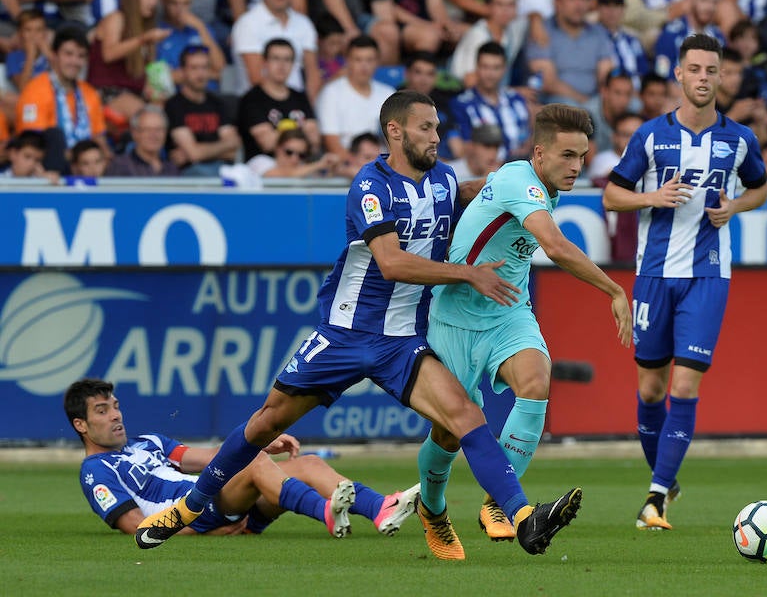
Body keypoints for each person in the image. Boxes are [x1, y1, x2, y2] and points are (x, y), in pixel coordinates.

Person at [134, 90, 583, 560]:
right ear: (395, 131)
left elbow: (478, 191)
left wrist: (516, 181)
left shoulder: (445, 180)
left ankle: (522, 518)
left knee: (467, 418)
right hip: (343, 335)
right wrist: (469, 273)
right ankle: (190, 505)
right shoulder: (370, 186)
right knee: (266, 422)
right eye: (426, 128)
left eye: (437, 128)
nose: (436, 136)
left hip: (400, 342)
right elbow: (390, 263)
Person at [421, 103, 630, 549]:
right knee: (448, 432)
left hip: (509, 310)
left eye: (583, 156)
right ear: (539, 154)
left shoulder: (527, 182)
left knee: (535, 381)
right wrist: (614, 290)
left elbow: (481, 189)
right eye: (567, 156)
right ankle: (432, 507)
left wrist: (469, 192)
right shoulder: (523, 180)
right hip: (455, 316)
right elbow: (554, 246)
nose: (577, 166)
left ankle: (496, 503)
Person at [602, 34, 767, 530]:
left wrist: (734, 207)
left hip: (708, 275)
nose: (702, 78)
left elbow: (759, 188)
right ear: (679, 74)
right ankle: (664, 476)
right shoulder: (651, 136)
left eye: (710, 70)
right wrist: (651, 199)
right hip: (653, 275)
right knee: (651, 389)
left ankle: (655, 497)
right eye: (693, 69)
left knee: (685, 383)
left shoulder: (740, 140)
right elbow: (612, 195)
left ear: (720, 76)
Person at [65, 378, 420, 538]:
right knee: (248, 464)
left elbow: (210, 458)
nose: (115, 415)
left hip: (219, 499)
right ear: (81, 424)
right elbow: (133, 527)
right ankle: (325, 511)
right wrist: (204, 531)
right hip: (195, 512)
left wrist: (260, 445)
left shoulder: (149, 441)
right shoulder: (95, 472)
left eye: (115, 406)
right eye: (102, 411)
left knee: (308, 463)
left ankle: (379, 509)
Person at [15, 25, 110, 173]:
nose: (74, 61)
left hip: (85, 168)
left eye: (81, 56)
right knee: (54, 136)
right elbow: (31, 144)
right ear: (54, 55)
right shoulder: (35, 90)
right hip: (48, 172)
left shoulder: (90, 93)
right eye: (68, 54)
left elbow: (99, 139)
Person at [526, 0, 615, 130]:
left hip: (594, 101)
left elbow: (606, 73)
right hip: (556, 100)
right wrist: (584, 102)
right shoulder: (542, 30)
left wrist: (603, 100)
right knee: (568, 108)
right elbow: (548, 82)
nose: (579, 5)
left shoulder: (598, 32)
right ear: (557, 3)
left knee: (632, 104)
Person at [88, 0, 172, 121]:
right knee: (148, 118)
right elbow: (108, 54)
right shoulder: (116, 18)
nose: (154, 1)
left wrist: (158, 93)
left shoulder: (147, 27)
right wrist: (143, 39)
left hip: (135, 93)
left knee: (164, 114)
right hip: (106, 91)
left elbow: (150, 70)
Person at [237, 38, 319, 161]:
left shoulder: (300, 97)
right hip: (264, 165)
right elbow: (267, 144)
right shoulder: (252, 98)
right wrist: (300, 132)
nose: (282, 66)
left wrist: (279, 134)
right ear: (264, 62)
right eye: (275, 59)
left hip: (300, 162)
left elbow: (314, 140)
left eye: (287, 60)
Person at [231, 0, 321, 101]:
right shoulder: (247, 23)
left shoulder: (304, 23)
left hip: (296, 106)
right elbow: (256, 78)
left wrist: (308, 109)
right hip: (257, 105)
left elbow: (313, 74)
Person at [316, 35, 395, 162]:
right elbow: (332, 143)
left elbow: (398, 140)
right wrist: (365, 169)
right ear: (347, 60)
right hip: (348, 169)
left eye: (370, 60)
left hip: (386, 168)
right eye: (358, 60)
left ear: (378, 61)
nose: (364, 66)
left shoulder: (389, 94)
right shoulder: (331, 93)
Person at [164, 46, 241, 176]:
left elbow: (233, 150)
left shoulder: (218, 103)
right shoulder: (174, 105)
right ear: (182, 71)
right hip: (191, 173)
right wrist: (224, 146)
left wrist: (197, 152)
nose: (200, 74)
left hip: (223, 169)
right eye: (194, 68)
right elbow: (194, 154)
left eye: (204, 68)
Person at [449, 41, 531, 161]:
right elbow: (464, 149)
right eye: (485, 67)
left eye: (496, 67)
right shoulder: (461, 104)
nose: (490, 74)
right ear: (477, 67)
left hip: (521, 167)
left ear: (504, 69)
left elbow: (528, 136)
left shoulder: (517, 100)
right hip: (485, 173)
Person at [448, 0, 527, 88]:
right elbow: (470, 81)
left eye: (510, 5)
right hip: (464, 93)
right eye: (499, 4)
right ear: (489, 6)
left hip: (496, 96)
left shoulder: (514, 30)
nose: (505, 10)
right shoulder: (478, 35)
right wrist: (512, 93)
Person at [157, 0, 227, 87]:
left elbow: (221, 68)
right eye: (174, 3)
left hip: (211, 95)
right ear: (164, 3)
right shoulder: (157, 33)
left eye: (185, 3)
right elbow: (158, 77)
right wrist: (209, 74)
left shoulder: (202, 28)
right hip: (177, 97)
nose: (180, 9)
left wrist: (200, 28)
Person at [106, 105, 179, 176]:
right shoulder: (120, 166)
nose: (153, 135)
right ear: (135, 133)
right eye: (147, 129)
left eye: (159, 129)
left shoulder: (171, 169)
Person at [246, 128, 340, 178]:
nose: (294, 159)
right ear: (277, 148)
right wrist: (319, 164)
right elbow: (281, 175)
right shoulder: (260, 161)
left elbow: (323, 181)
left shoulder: (305, 169)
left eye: (301, 155)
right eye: (289, 152)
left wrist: (331, 167)